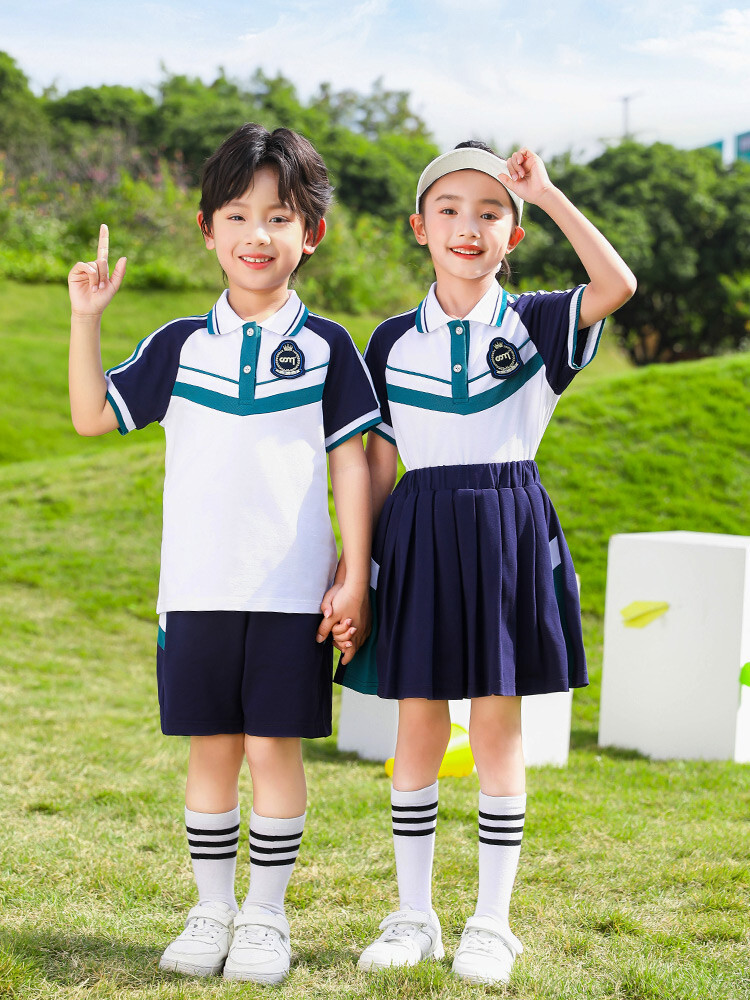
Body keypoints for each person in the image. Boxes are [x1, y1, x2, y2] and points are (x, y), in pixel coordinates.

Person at [68, 123, 378, 985]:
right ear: (208, 230)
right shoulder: (179, 344)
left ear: (311, 233)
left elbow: (351, 465)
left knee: (274, 751)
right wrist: (86, 320)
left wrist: (355, 573)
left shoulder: (330, 347)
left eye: (279, 217)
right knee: (211, 749)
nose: (257, 235)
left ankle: (266, 917)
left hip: (292, 596)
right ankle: (211, 910)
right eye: (237, 216)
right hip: (196, 589)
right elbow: (92, 416)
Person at [336, 141, 636, 985]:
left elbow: (616, 284)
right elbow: (377, 466)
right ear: (420, 227)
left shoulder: (537, 321)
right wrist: (357, 570)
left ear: (515, 234)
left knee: (498, 724)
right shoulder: (390, 339)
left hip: (507, 526)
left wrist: (549, 193)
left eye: (491, 212)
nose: (469, 226)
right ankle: (413, 915)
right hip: (418, 529)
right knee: (418, 725)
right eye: (450, 210)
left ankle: (492, 924)